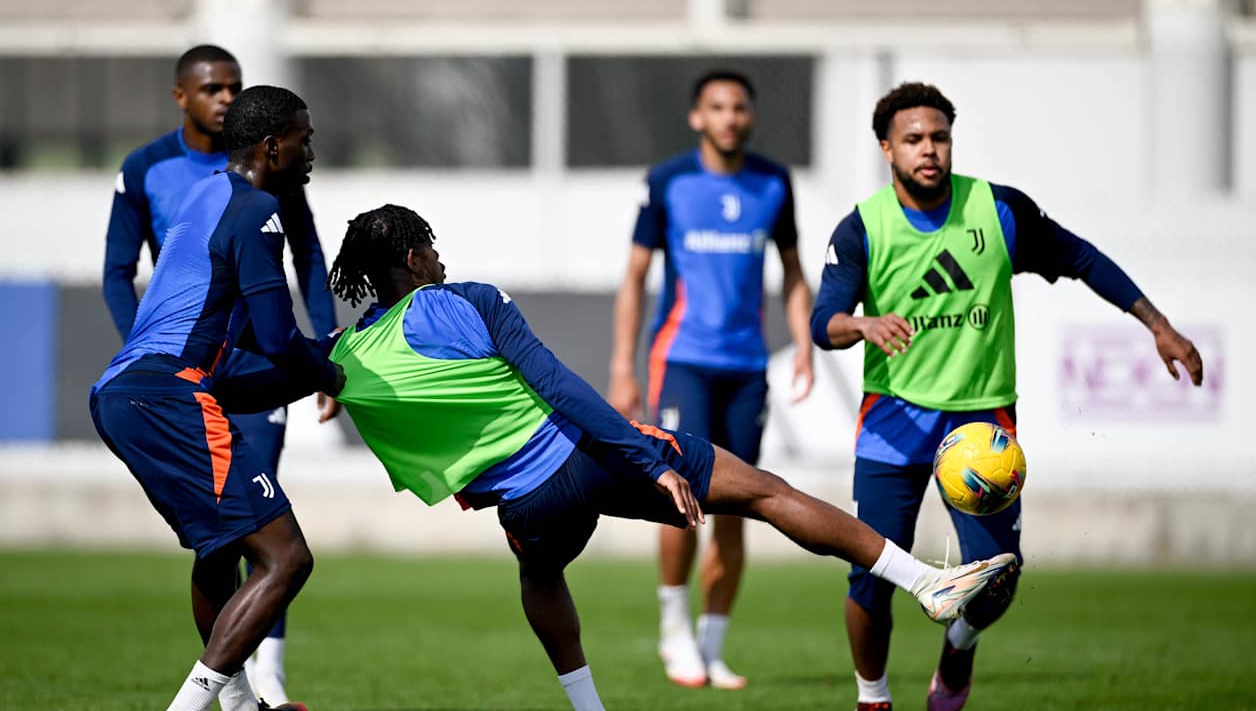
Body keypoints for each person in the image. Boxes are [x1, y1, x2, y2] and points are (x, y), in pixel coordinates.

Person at [307, 203, 1013, 711]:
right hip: (588, 455)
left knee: (539, 573)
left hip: (529, 504)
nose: (438, 257)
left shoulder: (349, 356)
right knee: (765, 493)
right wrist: (650, 460)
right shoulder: (467, 300)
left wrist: (332, 384)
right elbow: (559, 387)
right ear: (411, 259)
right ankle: (923, 581)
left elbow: (304, 369)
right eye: (429, 247)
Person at [810, 82, 1204, 711]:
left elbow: (1080, 257)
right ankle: (873, 697)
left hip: (980, 419)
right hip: (893, 420)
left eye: (939, 137)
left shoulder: (997, 211)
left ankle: (959, 646)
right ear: (887, 148)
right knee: (871, 575)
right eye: (914, 139)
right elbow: (822, 322)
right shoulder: (863, 228)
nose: (929, 150)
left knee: (1000, 576)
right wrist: (860, 325)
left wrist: (1157, 324)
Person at [90, 85, 344, 711]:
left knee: (220, 548)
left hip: (123, 394)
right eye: (303, 139)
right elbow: (282, 340)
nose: (310, 151)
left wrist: (315, 374)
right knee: (287, 559)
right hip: (169, 395)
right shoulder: (258, 211)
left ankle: (239, 707)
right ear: (271, 145)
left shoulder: (208, 195)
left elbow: (245, 360)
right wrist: (336, 361)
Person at [606, 69, 815, 689]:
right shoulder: (669, 181)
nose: (729, 117)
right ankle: (674, 630)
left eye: (739, 108)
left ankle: (713, 644)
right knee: (679, 497)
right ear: (698, 117)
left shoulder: (774, 183)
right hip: (682, 363)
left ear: (751, 117)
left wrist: (803, 343)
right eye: (717, 107)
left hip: (747, 367)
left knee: (741, 504)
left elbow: (795, 272)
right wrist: (623, 366)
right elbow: (635, 277)